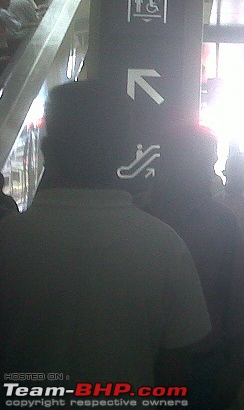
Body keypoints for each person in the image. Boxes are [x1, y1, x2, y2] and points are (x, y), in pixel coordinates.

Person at [0, 81, 211, 390]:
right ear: (124, 152)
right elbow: (176, 366)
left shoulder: (8, 239)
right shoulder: (165, 246)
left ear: (47, 148)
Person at [147, 125, 244, 409]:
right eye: (206, 162)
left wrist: (233, 371)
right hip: (178, 365)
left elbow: (239, 304)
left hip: (182, 366)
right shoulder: (222, 223)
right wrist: (234, 370)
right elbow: (239, 305)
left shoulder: (223, 222)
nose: (211, 172)